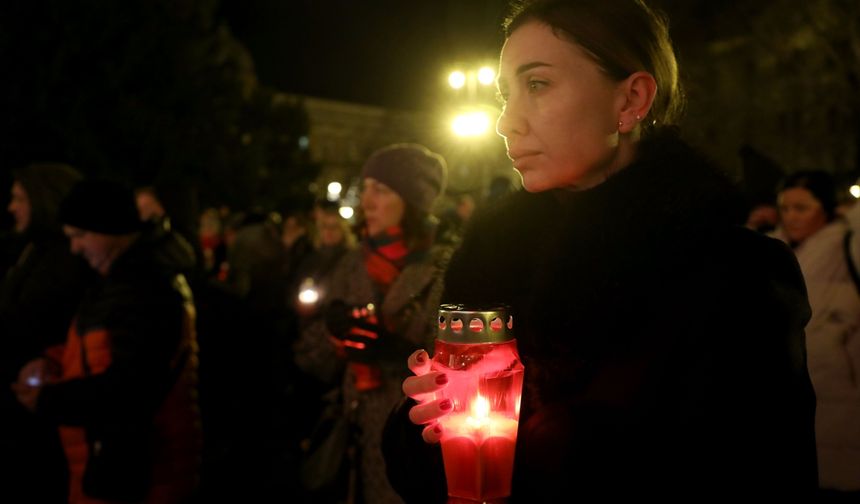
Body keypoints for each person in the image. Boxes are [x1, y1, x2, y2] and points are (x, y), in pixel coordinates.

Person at [383, 0, 817, 501]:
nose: (507, 123)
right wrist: (423, 424)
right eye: (505, 95)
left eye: (538, 84)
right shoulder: (491, 266)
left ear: (631, 99)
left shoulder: (732, 276)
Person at [10, 179, 200, 504]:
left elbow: (130, 387)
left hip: (143, 476)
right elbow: (96, 349)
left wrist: (48, 401)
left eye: (80, 235)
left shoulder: (142, 290)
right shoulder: (114, 282)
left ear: (112, 230)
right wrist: (54, 360)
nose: (74, 248)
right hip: (114, 469)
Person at [295, 144, 449, 503]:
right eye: (364, 189)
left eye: (380, 189)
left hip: (415, 438)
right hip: (356, 436)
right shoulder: (352, 262)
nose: (366, 201)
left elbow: (460, 366)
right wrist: (332, 333)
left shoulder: (443, 268)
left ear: (412, 200)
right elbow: (311, 358)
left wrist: (400, 354)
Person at [0, 163, 91, 503]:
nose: (12, 207)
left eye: (20, 198)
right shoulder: (31, 249)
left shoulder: (66, 259)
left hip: (43, 401)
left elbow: (32, 321)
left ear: (44, 199)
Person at [772, 170, 860, 497]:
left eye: (802, 208)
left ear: (824, 207)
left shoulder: (847, 245)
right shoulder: (774, 249)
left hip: (843, 397)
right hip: (798, 394)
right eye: (786, 208)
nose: (791, 217)